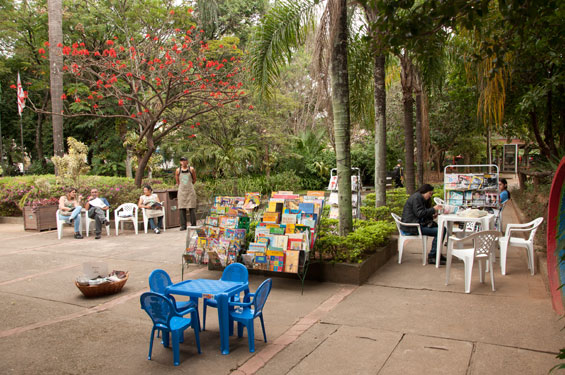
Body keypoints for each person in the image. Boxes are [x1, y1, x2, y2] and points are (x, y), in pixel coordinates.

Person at [400, 184, 446, 265]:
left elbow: (421, 213)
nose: (430, 196)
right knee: (441, 231)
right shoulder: (416, 198)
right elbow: (420, 213)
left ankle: (436, 253)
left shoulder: (419, 198)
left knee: (441, 229)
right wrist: (433, 209)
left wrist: (431, 215)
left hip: (416, 224)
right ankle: (433, 256)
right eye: (430, 193)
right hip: (412, 227)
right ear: (424, 191)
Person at [175, 156, 197, 230]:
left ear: (187, 161)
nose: (183, 162)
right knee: (182, 208)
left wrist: (189, 185)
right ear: (180, 162)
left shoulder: (191, 169)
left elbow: (194, 179)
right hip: (181, 191)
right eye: (182, 161)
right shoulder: (178, 170)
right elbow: (177, 181)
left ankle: (193, 224)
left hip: (190, 190)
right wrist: (181, 186)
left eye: (185, 160)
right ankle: (183, 225)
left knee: (192, 208)